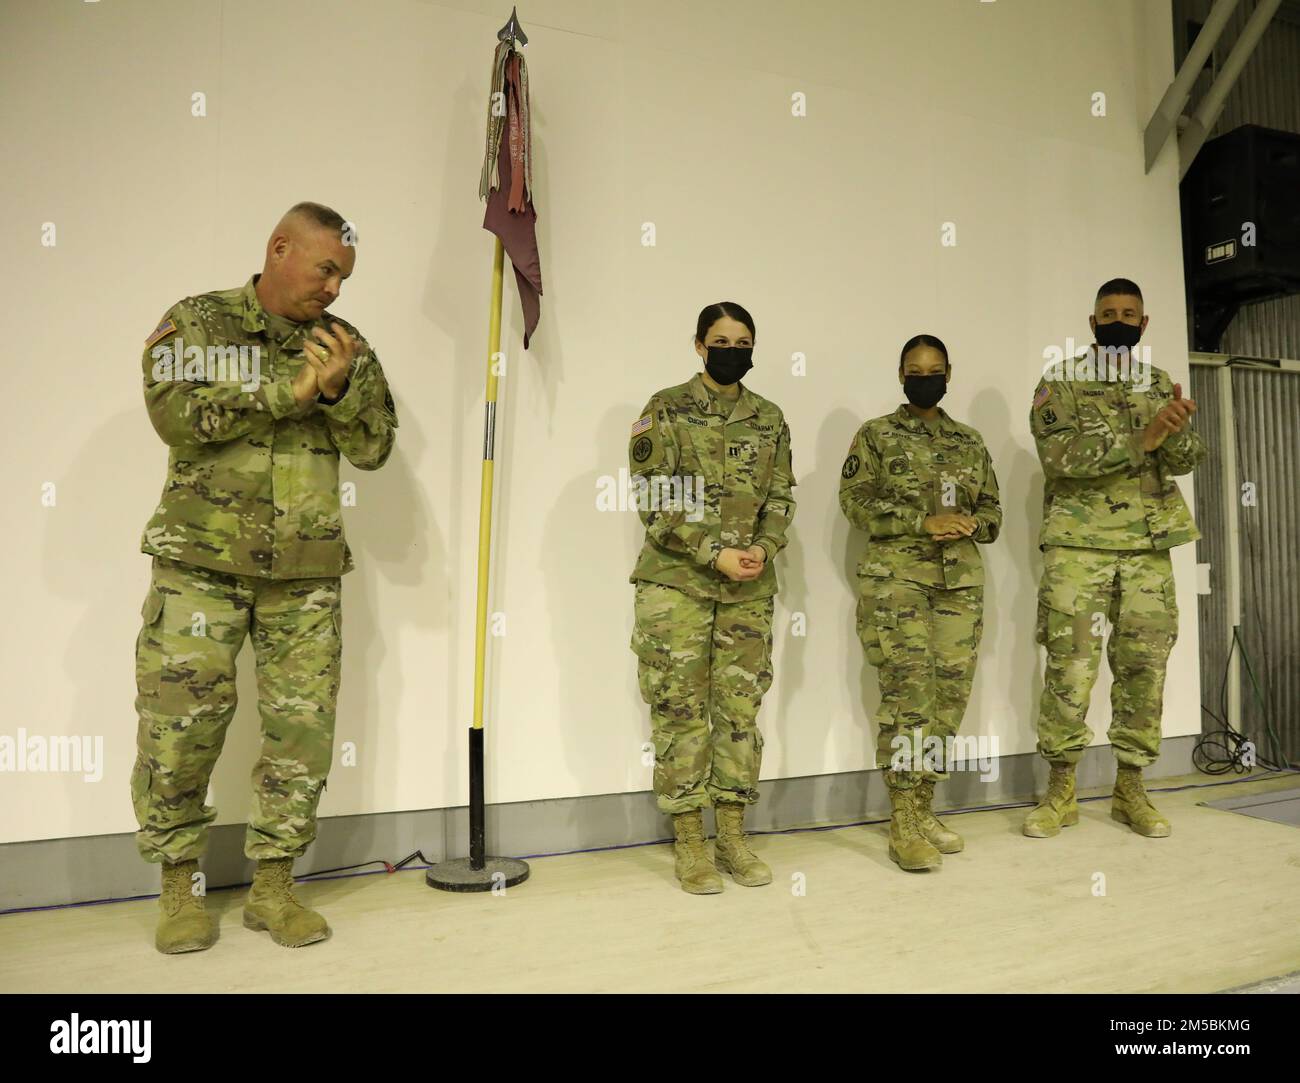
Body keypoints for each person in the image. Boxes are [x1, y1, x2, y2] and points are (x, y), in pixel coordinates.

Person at [131, 201, 398, 952]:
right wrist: (292, 392)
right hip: (200, 568)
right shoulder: (198, 322)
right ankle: (180, 889)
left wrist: (338, 392)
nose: (334, 290)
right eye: (326, 270)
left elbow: (376, 447)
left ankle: (274, 888)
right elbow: (175, 417)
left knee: (301, 736)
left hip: (306, 573)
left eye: (344, 278)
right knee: (180, 730)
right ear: (280, 249)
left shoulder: (343, 346)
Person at [1024, 278, 1205, 839]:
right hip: (1080, 548)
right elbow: (1059, 458)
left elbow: (1185, 460)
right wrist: (1142, 439)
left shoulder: (1158, 382)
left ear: (1144, 324)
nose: (1119, 321)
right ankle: (1061, 791)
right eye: (1109, 314)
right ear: (1093, 322)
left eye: (1129, 314)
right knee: (1070, 669)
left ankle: (1131, 789)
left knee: (1145, 669)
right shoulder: (1061, 381)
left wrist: (1175, 430)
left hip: (1148, 548)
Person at [628, 302, 796, 894]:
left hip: (747, 589)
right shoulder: (665, 409)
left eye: (742, 342)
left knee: (739, 713)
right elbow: (654, 498)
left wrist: (765, 547)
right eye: (721, 341)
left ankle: (731, 835)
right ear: (699, 346)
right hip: (677, 585)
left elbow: (781, 495)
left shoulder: (769, 418)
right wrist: (713, 551)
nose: (732, 350)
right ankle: (690, 843)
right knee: (679, 711)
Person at [839, 335, 1001, 871]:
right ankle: (902, 819)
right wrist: (920, 522)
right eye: (915, 370)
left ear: (948, 374)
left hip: (960, 585)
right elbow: (853, 502)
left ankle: (925, 806)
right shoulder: (877, 435)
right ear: (901, 374)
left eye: (934, 371)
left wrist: (974, 523)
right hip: (898, 582)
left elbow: (994, 510)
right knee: (908, 700)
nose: (924, 378)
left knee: (948, 701)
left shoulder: (969, 441)